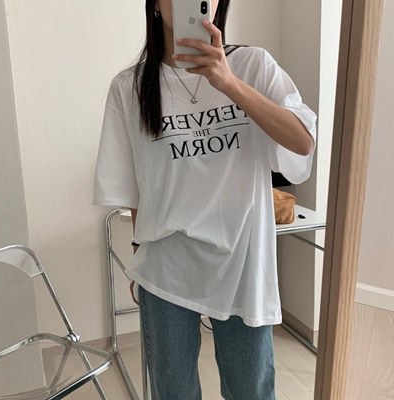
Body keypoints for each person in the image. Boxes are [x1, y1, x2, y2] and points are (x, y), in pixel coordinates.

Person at [93, 0, 316, 399]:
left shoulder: (253, 65)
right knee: (173, 391)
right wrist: (138, 254)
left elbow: (302, 143)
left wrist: (229, 83)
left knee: (251, 390)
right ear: (156, 4)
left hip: (243, 262)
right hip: (166, 266)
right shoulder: (129, 87)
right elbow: (133, 187)